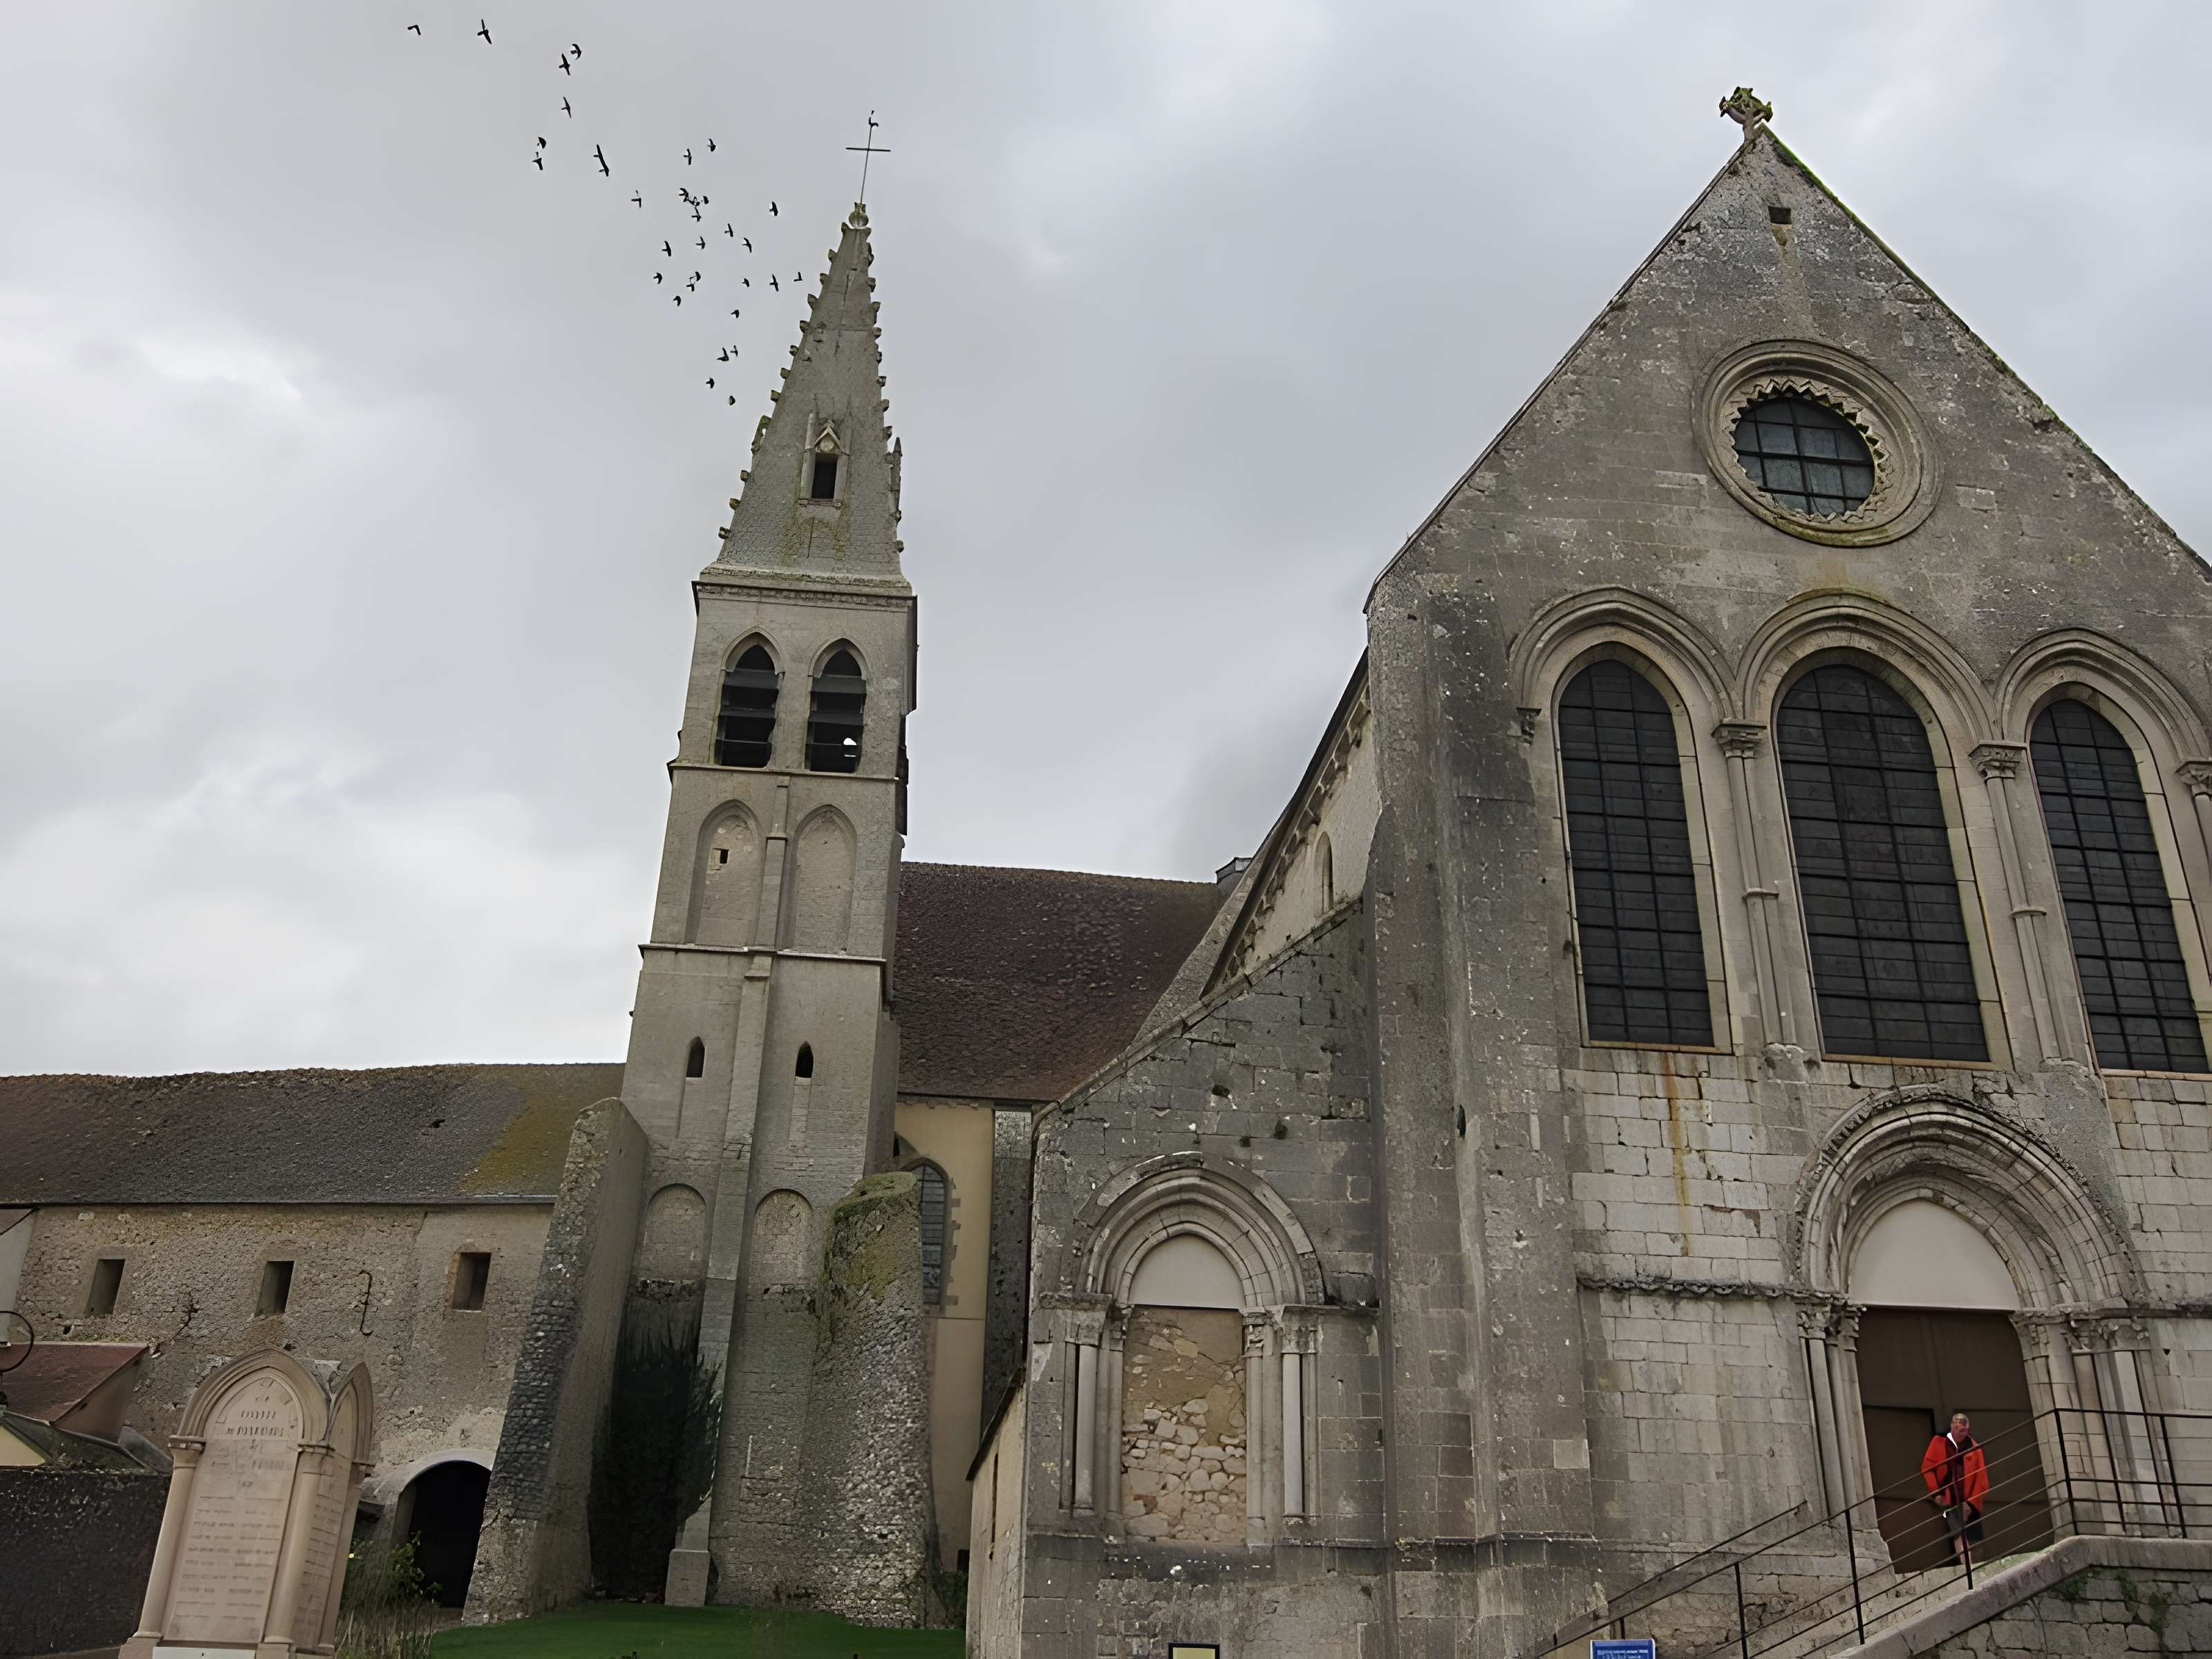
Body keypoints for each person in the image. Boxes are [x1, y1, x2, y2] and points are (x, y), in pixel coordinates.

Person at [1921, 1409, 1989, 1565]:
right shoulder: (1939, 1442)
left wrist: (1972, 1503)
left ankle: (1975, 1567)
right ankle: (1966, 1567)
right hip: (1949, 1496)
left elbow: (1982, 1480)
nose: (1961, 1434)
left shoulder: (1974, 1447)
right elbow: (1927, 1468)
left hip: (1969, 1498)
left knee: (1974, 1535)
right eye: (1958, 1430)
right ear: (1952, 1426)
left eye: (1964, 1431)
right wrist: (1936, 1493)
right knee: (1958, 1534)